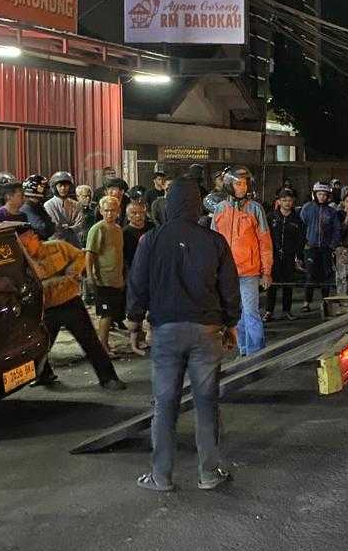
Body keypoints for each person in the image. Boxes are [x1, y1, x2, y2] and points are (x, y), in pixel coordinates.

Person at [126, 178, 240, 493]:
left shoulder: (150, 240)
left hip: (165, 331)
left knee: (164, 404)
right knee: (206, 403)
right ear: (197, 204)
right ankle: (209, 474)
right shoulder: (215, 241)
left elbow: (137, 284)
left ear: (169, 204)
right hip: (206, 331)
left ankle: (161, 476)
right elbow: (228, 289)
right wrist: (231, 324)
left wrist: (135, 324)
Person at [19, 224, 125, 391]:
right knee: (42, 346)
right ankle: (43, 374)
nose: (25, 248)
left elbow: (79, 256)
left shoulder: (57, 247)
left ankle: (108, 378)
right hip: (46, 308)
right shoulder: (22, 262)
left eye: (26, 244)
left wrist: (71, 274)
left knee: (90, 342)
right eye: (21, 246)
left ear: (35, 238)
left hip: (70, 303)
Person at [211, 166, 273, 356]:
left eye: (245, 183)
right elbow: (212, 242)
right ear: (229, 185)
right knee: (235, 315)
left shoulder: (255, 209)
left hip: (249, 272)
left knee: (251, 313)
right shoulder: (220, 209)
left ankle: (256, 353)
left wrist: (267, 271)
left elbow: (265, 242)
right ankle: (244, 351)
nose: (242, 187)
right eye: (238, 183)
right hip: (226, 273)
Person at [85, 195, 126, 357]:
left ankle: (106, 344)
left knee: (111, 315)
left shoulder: (117, 229)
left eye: (113, 210)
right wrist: (90, 276)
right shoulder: (97, 229)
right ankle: (102, 347)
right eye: (106, 210)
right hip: (103, 279)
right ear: (101, 211)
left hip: (115, 279)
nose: (109, 213)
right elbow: (90, 254)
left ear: (118, 211)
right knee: (105, 314)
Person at [300, 182, 342, 311]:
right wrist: (304, 244)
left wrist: (332, 245)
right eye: (319, 194)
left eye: (324, 194)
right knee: (310, 275)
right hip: (310, 247)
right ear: (314, 194)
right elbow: (301, 227)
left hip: (326, 248)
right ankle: (306, 302)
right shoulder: (307, 208)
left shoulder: (332, 211)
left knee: (327, 275)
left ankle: (325, 301)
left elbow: (336, 229)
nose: (322, 197)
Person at [266, 189, 305, 321]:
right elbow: (265, 237)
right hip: (273, 256)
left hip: (289, 256)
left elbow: (300, 240)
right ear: (278, 201)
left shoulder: (297, 220)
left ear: (293, 202)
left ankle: (287, 310)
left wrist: (299, 257)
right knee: (272, 284)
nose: (287, 203)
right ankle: (268, 311)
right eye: (284, 200)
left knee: (288, 284)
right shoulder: (270, 218)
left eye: (289, 200)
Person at [44, 171, 84, 245]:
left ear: (70, 187)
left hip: (74, 244)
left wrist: (67, 228)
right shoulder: (49, 205)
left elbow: (79, 225)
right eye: (60, 186)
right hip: (56, 245)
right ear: (55, 187)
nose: (63, 188)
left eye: (66, 185)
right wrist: (69, 228)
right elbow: (55, 227)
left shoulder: (77, 205)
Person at [122, 200, 153, 279]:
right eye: (134, 213)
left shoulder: (152, 228)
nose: (138, 216)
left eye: (141, 212)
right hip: (133, 272)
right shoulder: (124, 233)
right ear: (128, 216)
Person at [19, 174, 55, 240]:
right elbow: (44, 229)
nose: (45, 191)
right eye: (42, 188)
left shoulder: (37, 205)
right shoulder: (27, 207)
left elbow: (51, 227)